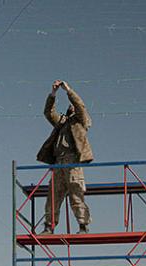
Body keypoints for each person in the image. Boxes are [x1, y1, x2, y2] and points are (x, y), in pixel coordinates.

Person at [36, 79, 94, 234]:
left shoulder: (80, 121)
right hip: (58, 163)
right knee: (53, 196)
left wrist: (68, 90)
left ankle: (83, 226)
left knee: (76, 194)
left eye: (72, 105)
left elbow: (80, 106)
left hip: (72, 161)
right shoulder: (62, 122)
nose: (71, 106)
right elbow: (49, 113)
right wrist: (53, 93)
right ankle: (49, 226)